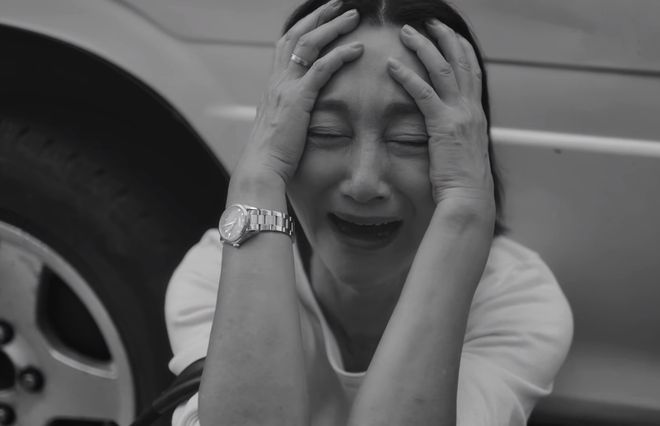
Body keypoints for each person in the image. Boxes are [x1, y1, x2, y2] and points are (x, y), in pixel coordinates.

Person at [165, 0, 574, 424]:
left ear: (468, 153)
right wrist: (256, 180)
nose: (363, 183)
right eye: (326, 132)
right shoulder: (218, 273)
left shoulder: (515, 300)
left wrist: (466, 213)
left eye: (411, 138)